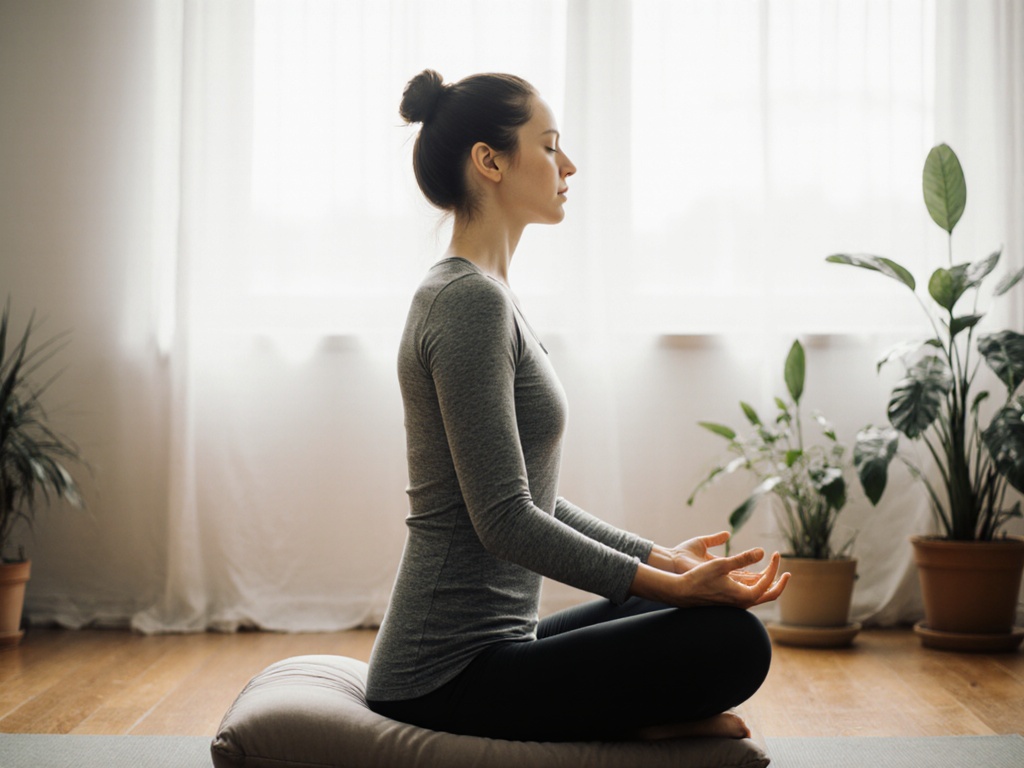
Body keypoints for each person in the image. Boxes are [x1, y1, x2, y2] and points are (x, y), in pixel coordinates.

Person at [366, 69, 789, 743]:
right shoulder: (468, 302)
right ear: (490, 161)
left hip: (501, 647)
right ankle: (636, 723)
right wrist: (668, 586)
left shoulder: (486, 294)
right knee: (733, 641)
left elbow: (528, 496)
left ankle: (633, 718)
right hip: (442, 678)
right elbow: (505, 520)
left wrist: (663, 560)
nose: (569, 165)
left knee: (709, 622)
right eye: (550, 145)